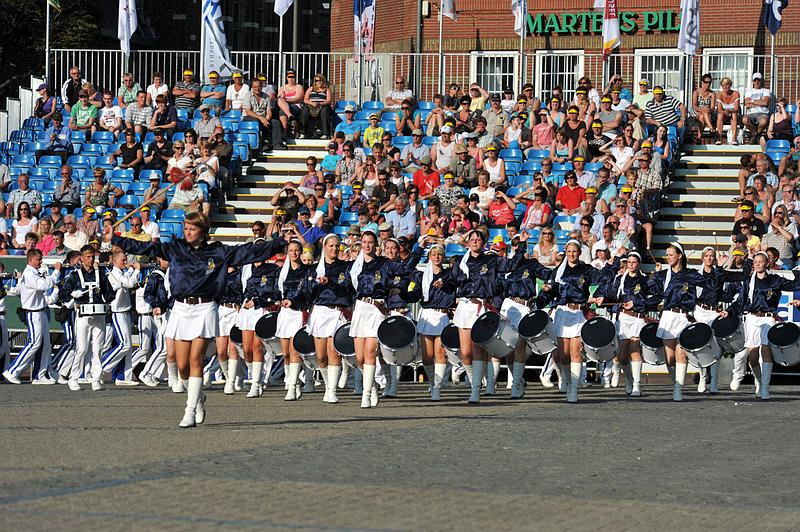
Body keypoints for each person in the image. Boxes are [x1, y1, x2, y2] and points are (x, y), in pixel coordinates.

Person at [110, 212, 288, 427]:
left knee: (196, 360)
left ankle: (190, 409)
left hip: (204, 308)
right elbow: (147, 248)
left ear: (203, 231)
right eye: (185, 228)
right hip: (181, 309)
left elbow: (249, 251)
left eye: (192, 228)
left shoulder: (218, 251)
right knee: (182, 365)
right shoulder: (175, 248)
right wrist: (116, 239)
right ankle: (199, 398)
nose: (187, 232)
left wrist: (279, 242)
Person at [348, 230, 423, 408]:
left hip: (377, 308)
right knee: (359, 358)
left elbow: (406, 268)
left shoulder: (385, 264)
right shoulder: (354, 266)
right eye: (364, 242)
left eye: (370, 242)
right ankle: (372, 386)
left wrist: (419, 248)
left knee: (370, 353)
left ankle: (365, 395)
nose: (367, 245)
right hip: (360, 308)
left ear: (376, 245)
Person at [648, 243, 728, 402]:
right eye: (667, 255)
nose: (668, 257)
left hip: (684, 317)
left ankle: (678, 389)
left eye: (671, 254)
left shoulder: (691, 274)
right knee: (670, 359)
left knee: (681, 353)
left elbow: (711, 284)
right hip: (668, 317)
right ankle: (675, 383)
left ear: (680, 256)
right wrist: (654, 276)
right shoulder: (663, 274)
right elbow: (654, 293)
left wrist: (718, 267)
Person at [545, 240, 617, 402]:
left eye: (575, 251)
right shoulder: (559, 271)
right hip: (563, 312)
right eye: (569, 251)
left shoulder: (586, 269)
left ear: (579, 252)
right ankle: (565, 378)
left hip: (579, 313)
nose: (572, 254)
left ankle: (574, 389)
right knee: (563, 354)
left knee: (575, 352)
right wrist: (547, 291)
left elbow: (602, 278)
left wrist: (612, 265)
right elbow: (551, 289)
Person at [729, 251, 800, 399]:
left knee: (766, 351)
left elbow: (794, 285)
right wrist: (729, 312)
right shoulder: (749, 281)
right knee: (753, 356)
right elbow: (740, 301)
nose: (758, 264)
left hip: (768, 318)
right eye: (755, 262)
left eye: (761, 261)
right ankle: (759, 381)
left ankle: (765, 388)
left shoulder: (775, 280)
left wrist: (797, 272)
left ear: (767, 263)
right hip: (752, 318)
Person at [2, 249, 62, 384]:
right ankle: (12, 370)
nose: (40, 262)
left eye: (40, 259)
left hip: (41, 311)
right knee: (34, 343)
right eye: (38, 260)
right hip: (33, 312)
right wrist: (56, 272)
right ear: (30, 260)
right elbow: (43, 285)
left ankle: (39, 375)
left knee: (46, 344)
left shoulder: (33, 272)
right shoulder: (29, 274)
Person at [59, 245, 110, 390]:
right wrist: (73, 294)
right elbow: (63, 294)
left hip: (98, 315)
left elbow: (109, 294)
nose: (91, 259)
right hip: (82, 316)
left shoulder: (100, 273)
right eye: (88, 256)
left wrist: (110, 295)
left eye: (93, 256)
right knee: (81, 348)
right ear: (81, 258)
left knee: (98, 348)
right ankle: (73, 378)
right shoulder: (75, 275)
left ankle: (96, 379)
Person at [412, 244, 455, 400]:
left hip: (442, 315)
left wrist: (444, 283)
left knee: (440, 354)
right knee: (427, 356)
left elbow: (453, 284)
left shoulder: (449, 275)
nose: (437, 257)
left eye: (440, 254)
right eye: (434, 254)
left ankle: (437, 387)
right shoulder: (422, 276)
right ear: (429, 256)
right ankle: (432, 381)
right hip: (427, 316)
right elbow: (415, 292)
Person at [236, 253, 281, 398]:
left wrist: (258, 301)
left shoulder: (271, 269)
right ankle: (257, 374)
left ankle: (255, 383)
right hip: (247, 310)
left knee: (257, 347)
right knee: (247, 349)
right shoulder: (246, 269)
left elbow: (273, 291)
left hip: (261, 308)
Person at [275, 240, 313, 401]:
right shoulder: (283, 271)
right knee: (285, 353)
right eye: (291, 250)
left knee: (294, 350)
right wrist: (279, 300)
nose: (294, 253)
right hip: (285, 314)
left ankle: (292, 385)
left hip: (298, 313)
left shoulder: (307, 271)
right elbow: (277, 290)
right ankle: (294, 381)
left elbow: (307, 293)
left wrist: (294, 302)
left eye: (297, 250)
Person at [139, 255, 171, 387]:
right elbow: (148, 294)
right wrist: (156, 305)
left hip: (167, 311)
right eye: (166, 259)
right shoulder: (155, 275)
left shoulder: (168, 274)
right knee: (163, 347)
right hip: (161, 313)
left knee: (165, 347)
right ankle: (145, 373)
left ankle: (152, 373)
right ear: (159, 260)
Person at [299, 73, 332, 139]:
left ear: (323, 81)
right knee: (304, 110)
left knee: (325, 110)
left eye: (320, 80)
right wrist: (312, 103)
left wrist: (319, 103)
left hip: (322, 106)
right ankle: (302, 133)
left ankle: (325, 133)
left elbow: (328, 100)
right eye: (316, 80)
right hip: (311, 106)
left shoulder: (327, 89)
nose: (318, 82)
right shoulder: (311, 89)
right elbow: (305, 99)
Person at [742, 73, 772, 144]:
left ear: (761, 81)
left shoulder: (766, 91)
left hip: (763, 113)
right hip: (751, 113)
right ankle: (756, 134)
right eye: (755, 80)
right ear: (753, 81)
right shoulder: (749, 91)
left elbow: (765, 103)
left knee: (764, 121)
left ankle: (754, 135)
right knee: (745, 120)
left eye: (758, 80)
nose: (756, 82)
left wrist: (752, 101)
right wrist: (759, 102)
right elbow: (746, 104)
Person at [276, 68, 305, 135]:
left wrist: (286, 100)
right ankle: (289, 117)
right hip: (285, 107)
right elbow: (279, 96)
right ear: (287, 78)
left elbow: (298, 98)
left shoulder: (299, 87)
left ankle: (284, 132)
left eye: (293, 77)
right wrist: (281, 96)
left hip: (296, 107)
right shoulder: (283, 87)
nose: (291, 79)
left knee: (282, 106)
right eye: (289, 77)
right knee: (281, 110)